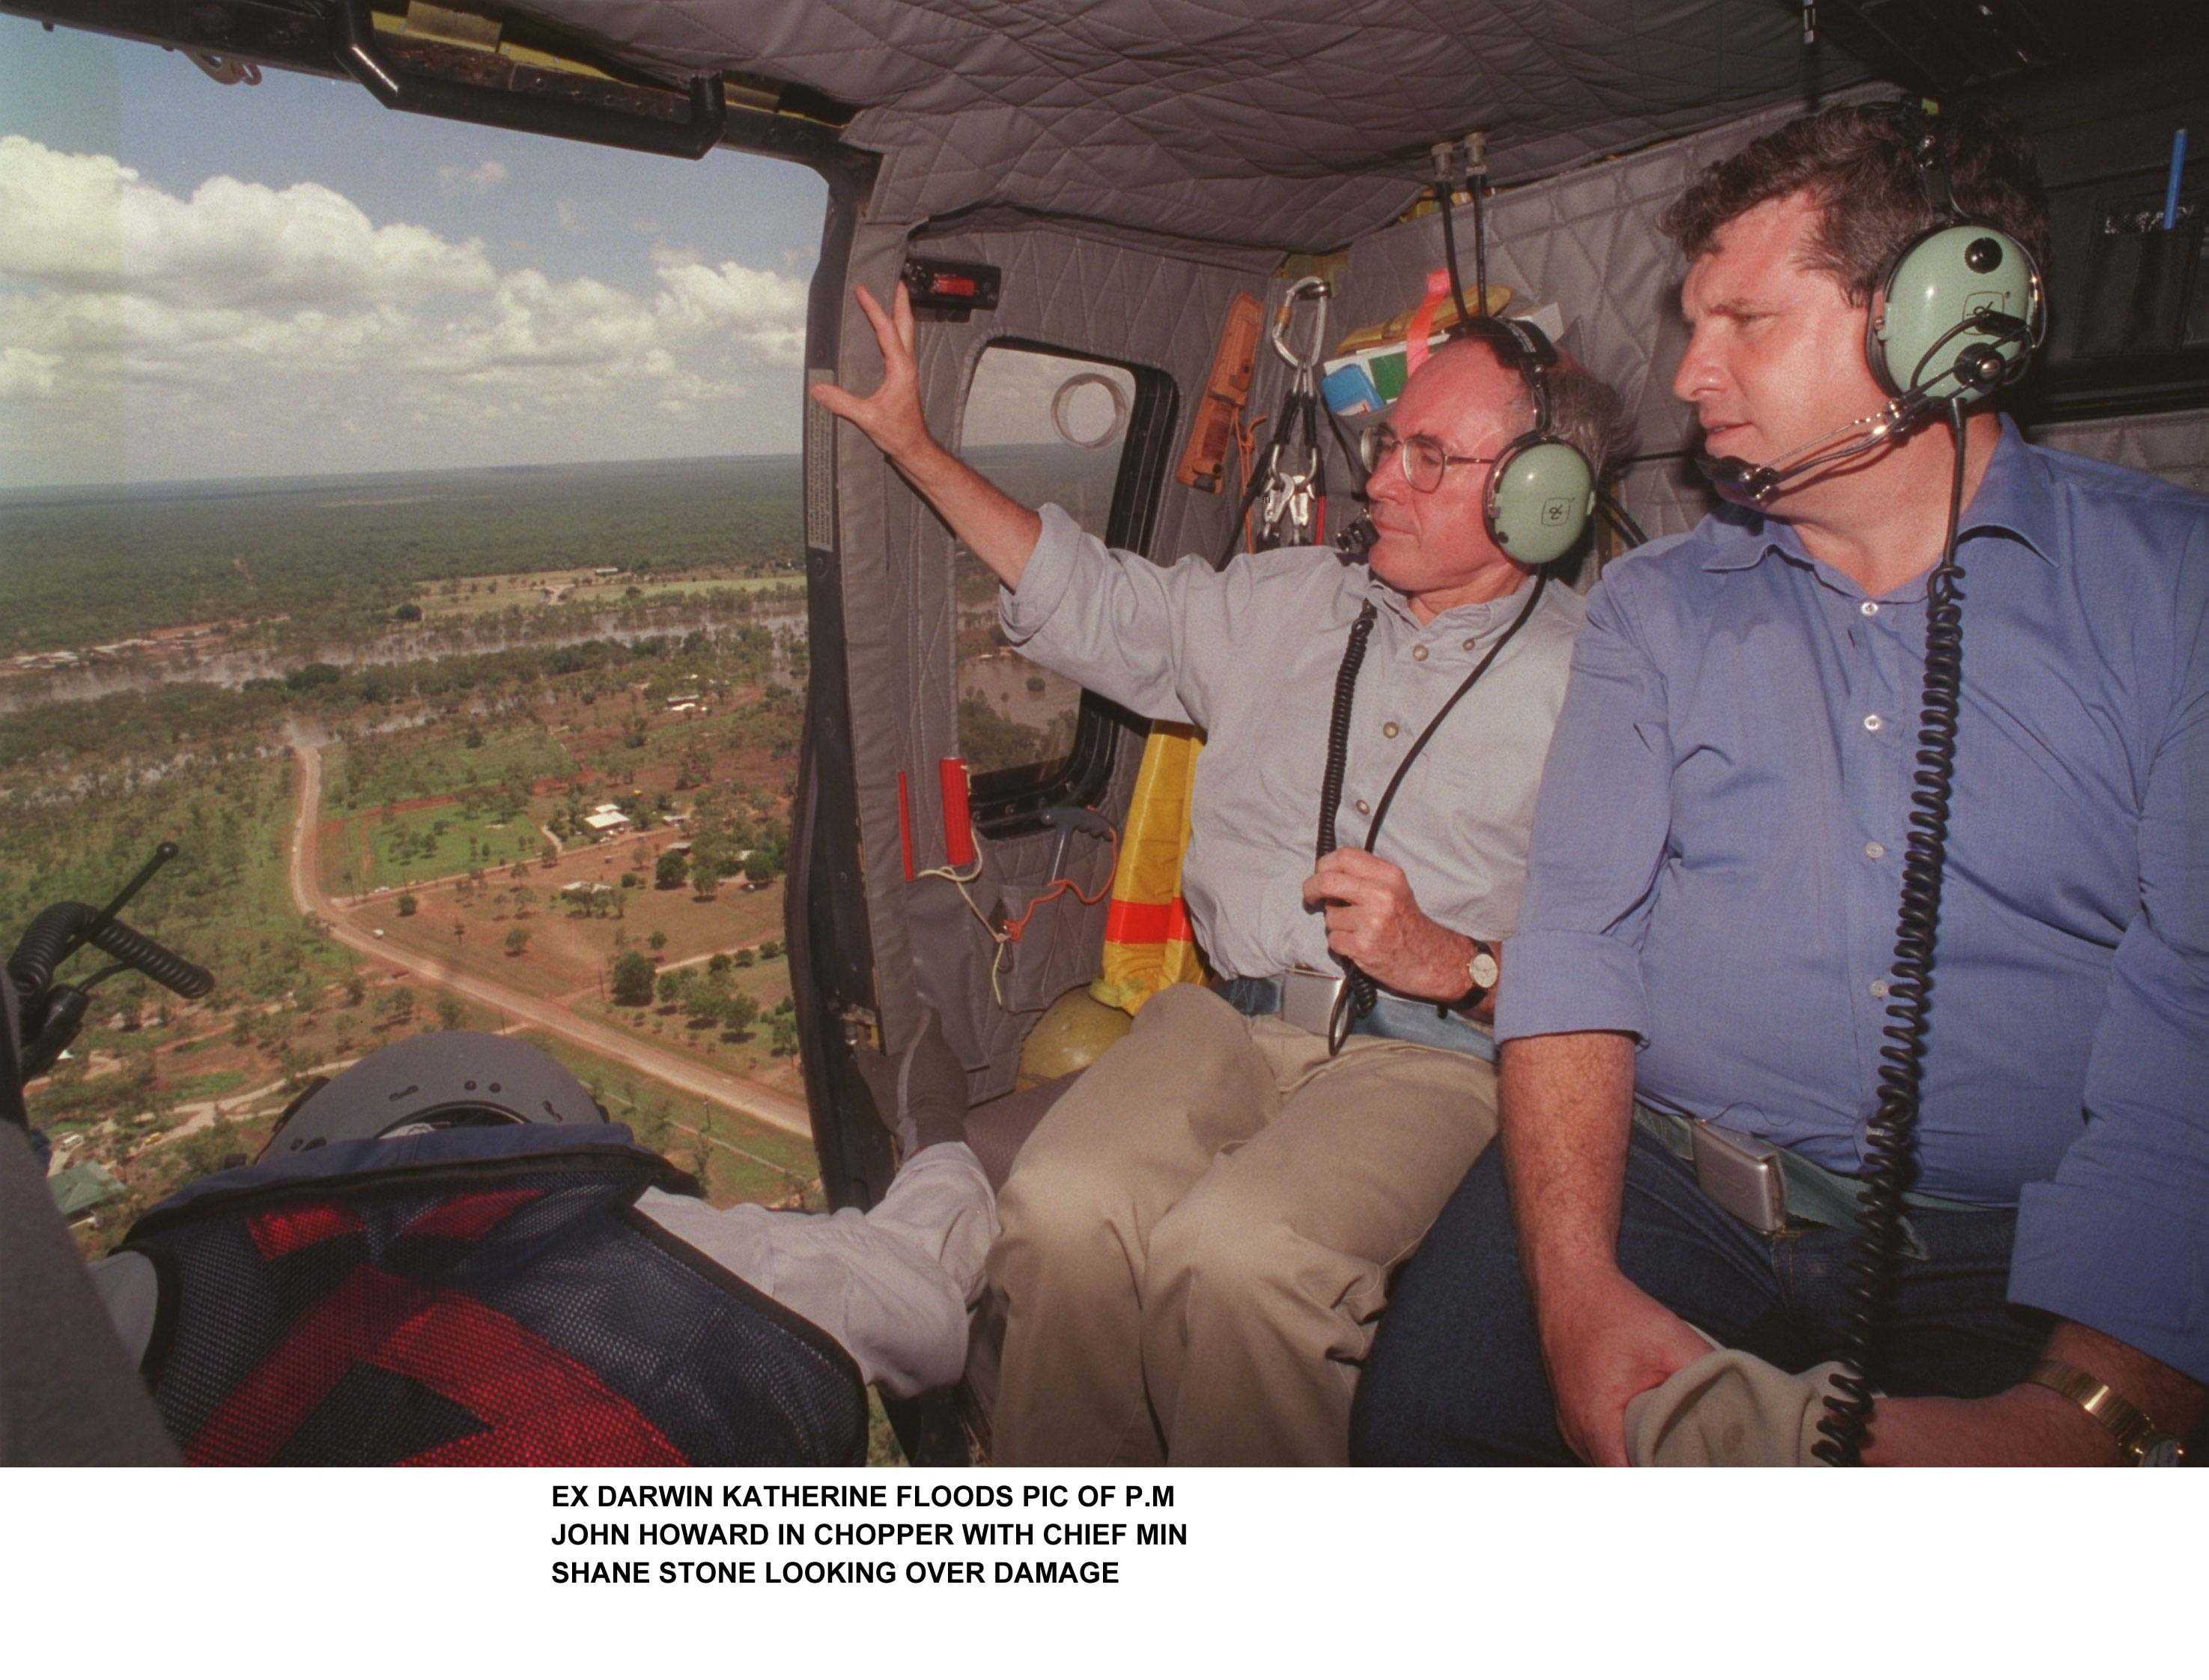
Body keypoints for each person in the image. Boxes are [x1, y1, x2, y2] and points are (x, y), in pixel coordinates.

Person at [1353, 102, 2208, 1466]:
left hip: (2022, 1258)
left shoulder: (2172, 589)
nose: (1692, 376)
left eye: (1741, 322)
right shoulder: (1651, 608)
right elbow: (1575, 944)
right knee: (1426, 1432)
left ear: (1931, 321)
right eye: (1693, 326)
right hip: (1670, 1186)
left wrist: (2088, 1414)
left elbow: (2195, 1034)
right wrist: (1575, 1301)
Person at [812, 282, 1626, 1464]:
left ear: (1540, 498)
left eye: (1431, 459)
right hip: (1228, 1017)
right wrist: (917, 450)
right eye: (1386, 444)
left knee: (1242, 1259)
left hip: (1433, 1056)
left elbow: (1628, 972)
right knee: (1057, 1205)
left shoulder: (1603, 685)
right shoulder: (1283, 604)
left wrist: (1462, 964)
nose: (1381, 479)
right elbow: (1087, 595)